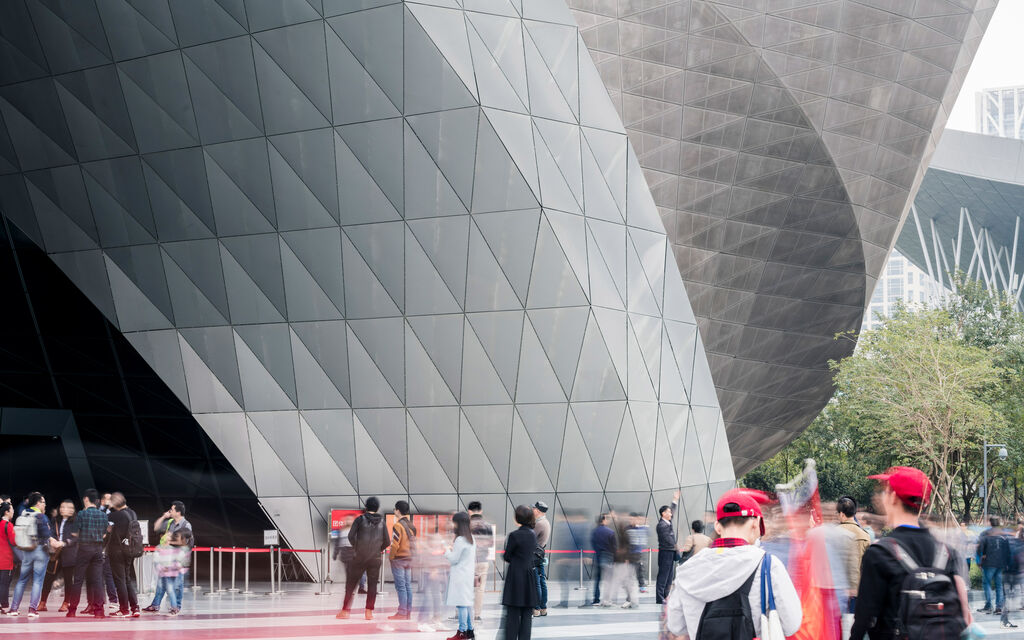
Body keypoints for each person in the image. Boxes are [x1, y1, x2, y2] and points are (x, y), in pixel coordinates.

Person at [850, 467, 972, 639]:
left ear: (892, 497)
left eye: (885, 491)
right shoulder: (947, 552)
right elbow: (965, 615)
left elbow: (863, 618)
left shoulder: (879, 554)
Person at [665, 489, 802, 638]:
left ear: (718, 526)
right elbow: (791, 624)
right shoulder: (768, 565)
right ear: (756, 523)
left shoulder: (688, 569)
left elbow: (676, 626)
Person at [8, 492, 63, 618]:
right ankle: (32, 610)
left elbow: (22, 505)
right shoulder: (41, 517)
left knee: (22, 580)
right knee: (37, 581)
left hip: (26, 550)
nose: (45, 504)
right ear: (38, 503)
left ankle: (14, 608)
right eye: (43, 502)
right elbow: (46, 534)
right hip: (40, 551)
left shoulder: (24, 513)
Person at [336, 496, 389, 620]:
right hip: (375, 558)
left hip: (359, 557)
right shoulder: (382, 522)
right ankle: (368, 612)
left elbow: (350, 536)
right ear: (377, 508)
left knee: (351, 584)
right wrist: (377, 550)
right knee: (372, 585)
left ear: (366, 507)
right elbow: (387, 541)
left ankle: (345, 611)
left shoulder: (360, 519)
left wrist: (358, 548)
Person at [143, 501, 193, 613]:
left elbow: (187, 543)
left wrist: (170, 540)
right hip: (167, 558)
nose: (170, 511)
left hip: (178, 559)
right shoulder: (170, 522)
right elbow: (156, 528)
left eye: (172, 509)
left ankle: (177, 606)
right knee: (162, 583)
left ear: (178, 512)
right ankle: (155, 605)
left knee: (178, 585)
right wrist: (164, 517)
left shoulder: (186, 525)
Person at [500, 505, 539, 640]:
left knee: (513, 614)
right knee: (527, 614)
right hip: (529, 575)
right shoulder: (532, 535)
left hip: (515, 576)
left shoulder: (514, 535)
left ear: (518, 518)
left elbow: (507, 557)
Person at [65, 489, 106, 618]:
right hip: (98, 549)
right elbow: (104, 534)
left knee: (77, 580)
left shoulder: (82, 514)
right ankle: (99, 611)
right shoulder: (103, 515)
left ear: (86, 499)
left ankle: (72, 610)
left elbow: (74, 533)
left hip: (84, 548)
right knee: (98, 580)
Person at [38, 499, 77, 612]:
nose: (65, 509)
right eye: (63, 507)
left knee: (68, 580)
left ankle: (66, 603)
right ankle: (43, 602)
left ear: (73, 510)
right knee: (48, 578)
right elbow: (50, 532)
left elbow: (76, 537)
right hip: (55, 553)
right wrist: (52, 540)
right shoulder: (55, 520)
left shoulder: (76, 522)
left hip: (69, 554)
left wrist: (64, 542)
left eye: (69, 507)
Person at [834, 496, 870, 614]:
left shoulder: (833, 534)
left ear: (842, 514)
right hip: (858, 592)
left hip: (838, 592)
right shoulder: (865, 536)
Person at [106, 492, 139, 617]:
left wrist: (108, 508)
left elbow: (104, 522)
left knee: (119, 580)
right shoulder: (132, 513)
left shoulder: (115, 515)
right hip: (129, 550)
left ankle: (124, 609)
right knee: (127, 579)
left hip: (117, 550)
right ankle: (135, 608)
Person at [445, 512, 477, 640]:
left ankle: (462, 632)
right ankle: (470, 630)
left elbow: (454, 559)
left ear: (458, 523)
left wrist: (446, 550)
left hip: (460, 576)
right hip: (468, 575)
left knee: (462, 604)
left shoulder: (460, 540)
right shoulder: (471, 538)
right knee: (467, 604)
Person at [388, 500, 415, 621]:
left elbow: (395, 544)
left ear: (398, 510)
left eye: (395, 509)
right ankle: (408, 612)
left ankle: (402, 612)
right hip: (409, 558)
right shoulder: (411, 525)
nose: (394, 511)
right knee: (408, 585)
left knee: (401, 587)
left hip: (399, 559)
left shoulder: (397, 525)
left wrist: (391, 557)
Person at [580, 513, 615, 608]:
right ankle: (607, 600)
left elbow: (593, 544)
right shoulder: (610, 532)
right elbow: (614, 547)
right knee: (608, 580)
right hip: (608, 557)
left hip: (598, 557)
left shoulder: (594, 532)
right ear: (603, 520)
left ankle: (596, 599)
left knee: (597, 580)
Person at [978, 516, 1010, 615]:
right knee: (999, 585)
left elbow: (980, 549)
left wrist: (980, 560)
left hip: (989, 563)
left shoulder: (985, 534)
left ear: (990, 523)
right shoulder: (1003, 535)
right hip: (1000, 564)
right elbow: (1007, 550)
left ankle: (988, 606)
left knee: (987, 583)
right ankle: (999, 607)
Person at [468, 501, 493, 621]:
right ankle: (477, 614)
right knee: (480, 589)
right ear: (481, 511)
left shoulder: (466, 525)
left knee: (466, 587)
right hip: (483, 560)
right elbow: (491, 543)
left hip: (468, 561)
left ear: (469, 511)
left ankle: (461, 613)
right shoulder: (487, 525)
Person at [153, 532, 187, 615]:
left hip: (171, 574)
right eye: (166, 540)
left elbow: (177, 560)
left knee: (171, 590)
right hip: (163, 573)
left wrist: (176, 566)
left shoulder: (172, 549)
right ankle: (156, 605)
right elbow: (156, 561)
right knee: (159, 590)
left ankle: (174, 607)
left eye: (169, 540)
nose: (168, 542)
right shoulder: (159, 548)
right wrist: (161, 568)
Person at [655, 491, 679, 604]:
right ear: (663, 514)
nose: (671, 514)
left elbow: (673, 511)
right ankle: (660, 598)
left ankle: (665, 595)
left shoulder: (667, 522)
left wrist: (675, 500)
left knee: (669, 576)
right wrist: (676, 546)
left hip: (670, 552)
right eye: (668, 512)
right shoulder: (662, 525)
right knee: (663, 576)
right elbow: (667, 540)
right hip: (665, 552)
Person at [531, 501, 550, 617]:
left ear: (537, 510)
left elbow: (529, 537)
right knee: (542, 582)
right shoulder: (545, 522)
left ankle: (536, 608)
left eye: (533, 508)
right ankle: (543, 607)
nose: (532, 510)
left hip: (534, 556)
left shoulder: (539, 524)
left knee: (536, 583)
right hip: (540, 555)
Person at [0, 502, 17, 614]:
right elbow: (14, 542)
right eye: (12, 509)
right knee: (5, 583)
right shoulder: (9, 525)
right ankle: (4, 605)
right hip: (6, 558)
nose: (13, 511)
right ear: (7, 512)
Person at [628, 513, 648, 593]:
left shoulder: (641, 529)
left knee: (640, 570)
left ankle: (642, 587)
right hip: (630, 554)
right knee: (630, 571)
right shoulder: (627, 529)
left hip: (638, 554)